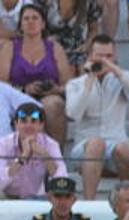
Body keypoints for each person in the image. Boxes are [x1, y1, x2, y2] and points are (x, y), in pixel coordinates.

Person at [65, 34, 129, 201]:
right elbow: (73, 113)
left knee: (127, 148)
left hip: (116, 147)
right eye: (100, 56)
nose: (104, 60)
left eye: (108, 56)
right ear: (90, 56)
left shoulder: (121, 78)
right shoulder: (76, 84)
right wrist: (89, 80)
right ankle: (89, 203)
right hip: (84, 148)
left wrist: (114, 70)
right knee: (96, 143)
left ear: (114, 57)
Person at [0, 3, 74, 143]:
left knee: (53, 105)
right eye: (26, 19)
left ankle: (56, 157)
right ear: (20, 25)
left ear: (43, 24)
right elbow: (2, 83)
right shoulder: (10, 47)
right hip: (17, 97)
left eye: (35, 18)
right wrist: (24, 89)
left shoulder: (55, 48)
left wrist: (55, 89)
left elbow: (68, 83)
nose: (31, 22)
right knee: (26, 109)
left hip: (49, 96)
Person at [0, 101, 66, 199]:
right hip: (7, 198)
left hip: (36, 199)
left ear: (41, 125)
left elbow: (62, 179)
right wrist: (23, 157)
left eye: (33, 121)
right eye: (23, 121)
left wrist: (44, 154)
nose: (28, 126)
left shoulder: (50, 144)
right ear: (15, 124)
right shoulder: (3, 144)